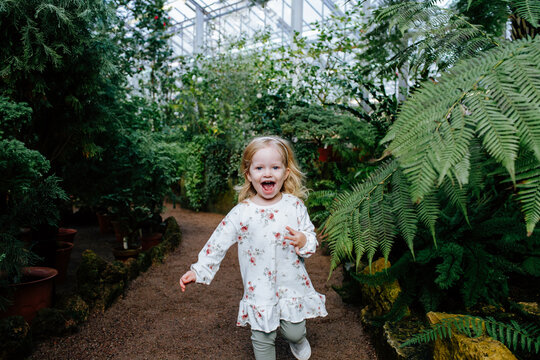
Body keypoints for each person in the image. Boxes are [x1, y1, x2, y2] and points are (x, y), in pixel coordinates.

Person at [179, 136, 328, 360]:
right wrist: (198, 270)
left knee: (294, 331)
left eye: (275, 167)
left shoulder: (294, 206)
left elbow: (310, 239)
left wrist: (303, 240)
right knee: (262, 337)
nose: (267, 173)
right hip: (259, 288)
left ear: (286, 172)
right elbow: (217, 242)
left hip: (292, 286)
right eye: (259, 168)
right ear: (249, 175)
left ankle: (297, 340)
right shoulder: (242, 212)